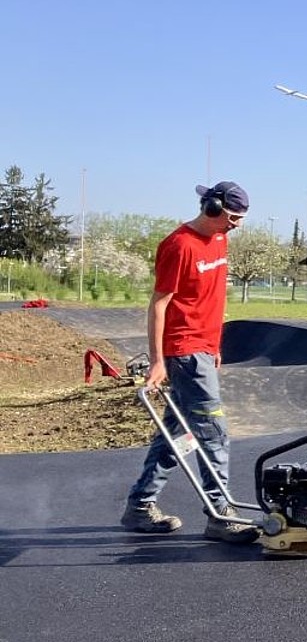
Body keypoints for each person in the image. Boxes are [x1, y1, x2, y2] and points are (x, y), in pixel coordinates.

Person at [120, 181, 258, 543]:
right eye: (232, 217)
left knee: (178, 433)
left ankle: (139, 507)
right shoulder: (179, 245)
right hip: (183, 351)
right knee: (214, 432)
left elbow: (209, 298)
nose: (236, 225)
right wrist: (157, 361)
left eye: (241, 218)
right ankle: (220, 514)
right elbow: (159, 305)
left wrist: (214, 344)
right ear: (212, 208)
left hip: (203, 349)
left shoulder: (220, 239)